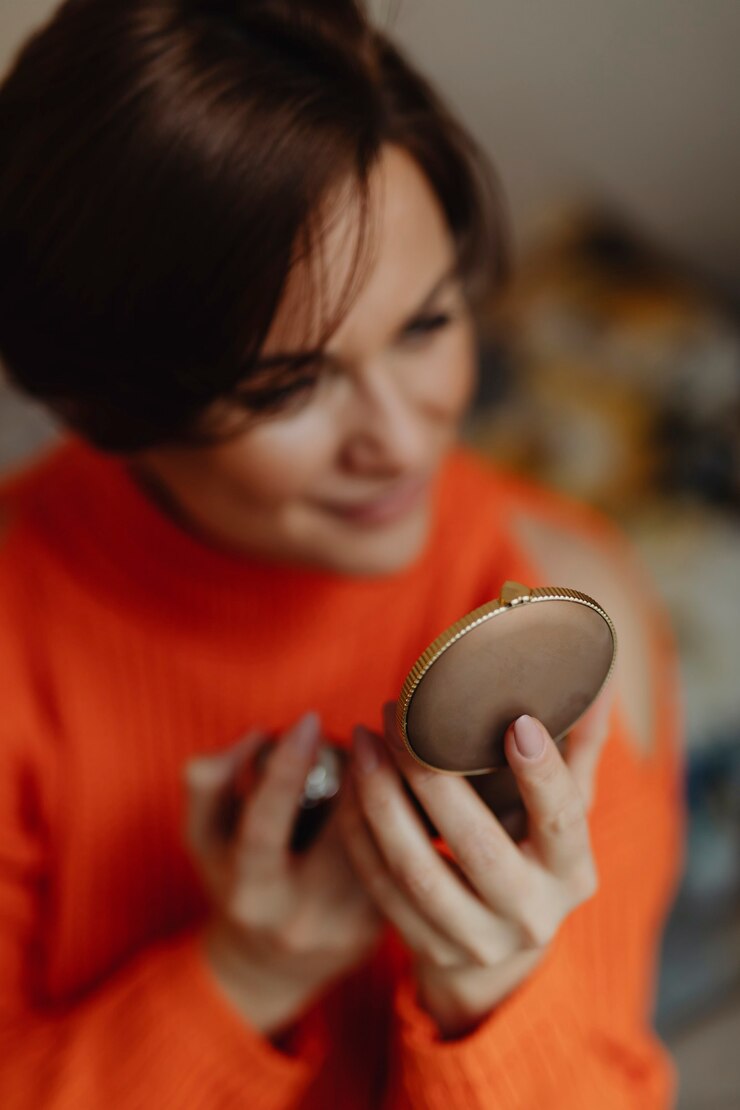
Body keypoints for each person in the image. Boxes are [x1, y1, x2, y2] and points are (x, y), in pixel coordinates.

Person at [0, 2, 684, 1107]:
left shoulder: (557, 591)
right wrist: (242, 975)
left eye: (425, 325)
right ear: (100, 401)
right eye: (289, 386)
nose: (404, 439)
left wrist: (491, 990)